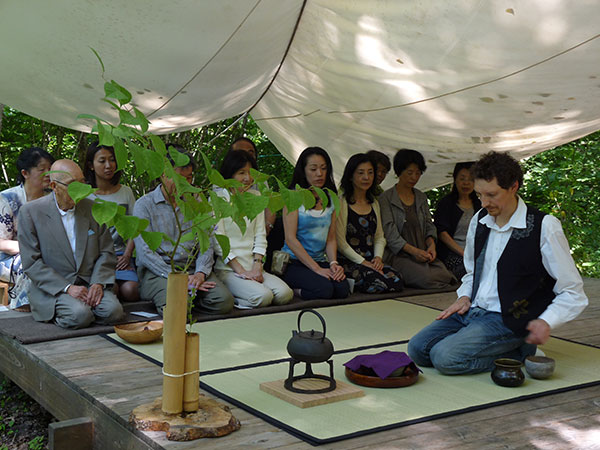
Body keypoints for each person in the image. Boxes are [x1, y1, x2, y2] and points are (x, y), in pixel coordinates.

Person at [407, 152, 588, 375]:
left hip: (509, 319)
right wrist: (465, 296)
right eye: (479, 194)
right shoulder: (480, 220)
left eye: (491, 195)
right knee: (418, 350)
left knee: (444, 358)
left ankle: (520, 351)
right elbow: (472, 272)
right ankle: (516, 348)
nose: (483, 202)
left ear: (513, 187)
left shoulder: (545, 226)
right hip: (473, 311)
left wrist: (546, 321)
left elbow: (573, 291)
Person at [17, 159, 124, 329]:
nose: (80, 190)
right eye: (73, 185)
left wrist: (98, 282)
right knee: (79, 315)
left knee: (114, 312)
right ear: (54, 186)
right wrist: (67, 288)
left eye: (83, 183)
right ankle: (74, 313)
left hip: (88, 282)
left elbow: (106, 251)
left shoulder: (92, 208)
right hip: (55, 288)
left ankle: (87, 310)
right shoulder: (30, 212)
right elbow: (31, 262)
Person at [133, 145, 234, 316]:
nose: (186, 184)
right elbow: (145, 253)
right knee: (179, 306)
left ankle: (189, 298)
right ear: (164, 174)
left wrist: (201, 273)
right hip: (159, 272)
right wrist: (179, 279)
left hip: (192, 267)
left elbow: (206, 243)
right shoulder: (144, 205)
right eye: (180, 178)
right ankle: (183, 300)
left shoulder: (197, 201)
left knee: (223, 301)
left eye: (189, 178)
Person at [213, 150, 293, 308]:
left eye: (250, 173)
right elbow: (218, 242)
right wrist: (242, 271)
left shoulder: (256, 196)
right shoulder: (218, 198)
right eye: (241, 173)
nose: (247, 178)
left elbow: (260, 235)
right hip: (228, 270)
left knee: (285, 294)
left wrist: (257, 265)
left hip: (255, 267)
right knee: (263, 296)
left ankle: (251, 292)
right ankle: (236, 300)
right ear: (230, 174)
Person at [379, 149, 455, 289]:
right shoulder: (386, 198)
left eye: (418, 173)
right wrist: (414, 252)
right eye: (409, 172)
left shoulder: (420, 197)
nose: (414, 177)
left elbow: (428, 226)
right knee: (426, 278)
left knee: (446, 275)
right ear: (399, 172)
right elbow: (390, 234)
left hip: (422, 252)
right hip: (400, 255)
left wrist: (431, 245)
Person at [281, 147, 350, 300]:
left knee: (342, 289)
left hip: (320, 260)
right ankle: (294, 290)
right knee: (323, 290)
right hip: (294, 262)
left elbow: (331, 238)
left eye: (324, 168)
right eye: (313, 169)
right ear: (303, 171)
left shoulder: (331, 199)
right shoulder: (293, 197)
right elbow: (290, 239)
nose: (319, 174)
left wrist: (333, 263)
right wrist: (317, 269)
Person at [336, 153, 403, 293]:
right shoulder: (341, 202)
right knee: (378, 283)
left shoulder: (374, 202)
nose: (366, 177)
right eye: (361, 173)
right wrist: (363, 262)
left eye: (370, 173)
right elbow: (340, 243)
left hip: (370, 260)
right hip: (350, 261)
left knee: (397, 279)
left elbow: (379, 236)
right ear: (350, 176)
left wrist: (378, 258)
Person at [0, 147, 54, 311]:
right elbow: (1, 242)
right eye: (42, 169)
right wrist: (30, 249)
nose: (48, 173)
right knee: (30, 264)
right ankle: (20, 310)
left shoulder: (52, 199)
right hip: (9, 257)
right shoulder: (8, 198)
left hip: (46, 253)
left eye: (50, 169)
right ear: (25, 173)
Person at [84, 142, 139, 302]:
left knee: (131, 290)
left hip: (122, 256)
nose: (108, 166)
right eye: (102, 161)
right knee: (111, 289)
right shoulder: (86, 194)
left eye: (112, 160)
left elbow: (134, 227)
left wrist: (127, 255)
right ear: (91, 165)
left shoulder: (125, 192)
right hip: (96, 257)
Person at [434, 162, 481, 279]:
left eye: (471, 179)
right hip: (452, 253)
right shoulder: (446, 203)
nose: (466, 183)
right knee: (469, 271)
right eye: (462, 178)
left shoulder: (480, 204)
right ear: (455, 180)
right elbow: (442, 233)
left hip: (475, 252)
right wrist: (464, 253)